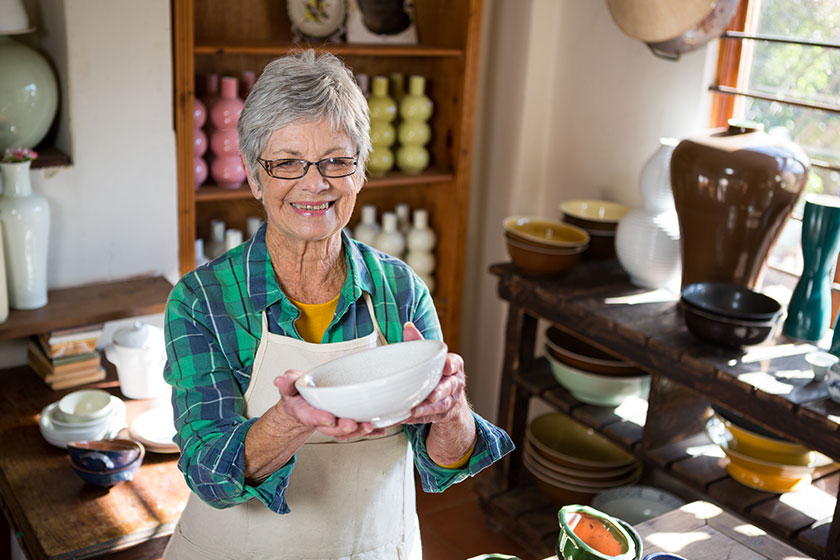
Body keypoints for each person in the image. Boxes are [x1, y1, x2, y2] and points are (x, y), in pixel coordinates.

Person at [162, 49, 514, 560]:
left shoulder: (400, 290)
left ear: (360, 170)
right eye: (287, 162)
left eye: (336, 160)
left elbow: (443, 463)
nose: (315, 183)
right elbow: (209, 472)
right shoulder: (201, 302)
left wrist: (450, 408)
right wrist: (294, 418)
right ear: (254, 175)